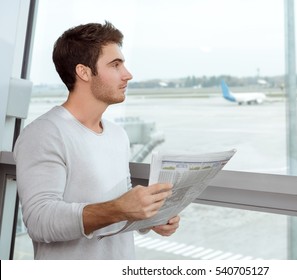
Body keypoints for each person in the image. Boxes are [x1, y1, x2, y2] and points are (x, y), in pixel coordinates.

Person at [14, 21, 180, 260]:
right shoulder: (44, 134)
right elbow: (40, 221)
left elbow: (117, 204)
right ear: (83, 72)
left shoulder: (117, 134)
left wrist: (149, 216)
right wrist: (119, 208)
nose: (128, 74)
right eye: (115, 65)